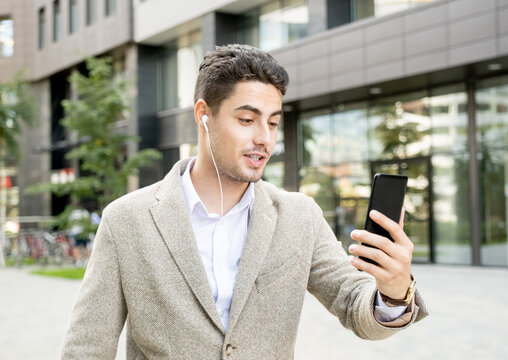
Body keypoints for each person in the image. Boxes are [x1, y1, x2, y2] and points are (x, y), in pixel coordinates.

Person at [61, 44, 428, 359]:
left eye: (272, 123)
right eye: (247, 119)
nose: (264, 138)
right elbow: (87, 349)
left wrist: (394, 293)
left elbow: (354, 304)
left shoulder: (299, 216)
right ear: (204, 116)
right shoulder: (127, 219)